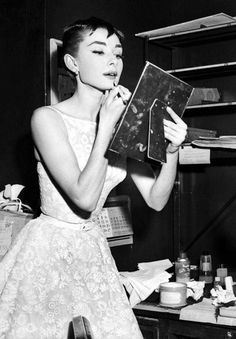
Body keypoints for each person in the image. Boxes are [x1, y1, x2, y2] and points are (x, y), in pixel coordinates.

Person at [0, 17, 187, 339]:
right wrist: (105, 128)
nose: (113, 61)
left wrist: (172, 151)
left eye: (118, 53)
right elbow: (84, 198)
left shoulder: (122, 124)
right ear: (73, 63)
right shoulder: (47, 119)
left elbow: (156, 200)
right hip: (48, 252)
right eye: (99, 52)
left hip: (92, 250)